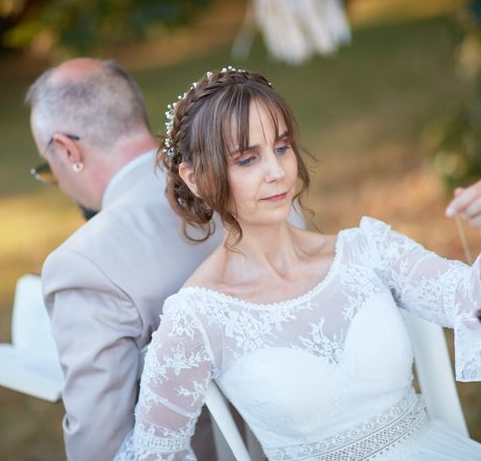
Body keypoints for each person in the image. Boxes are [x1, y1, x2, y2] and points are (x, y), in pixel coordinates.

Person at [115, 67, 481, 460]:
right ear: (195, 177)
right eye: (247, 158)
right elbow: (157, 452)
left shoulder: (367, 250)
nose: (277, 172)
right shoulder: (195, 317)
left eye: (282, 147)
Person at [25, 59, 308, 461]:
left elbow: (100, 448)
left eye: (48, 167)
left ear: (68, 150)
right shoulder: (265, 182)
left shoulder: (82, 263)